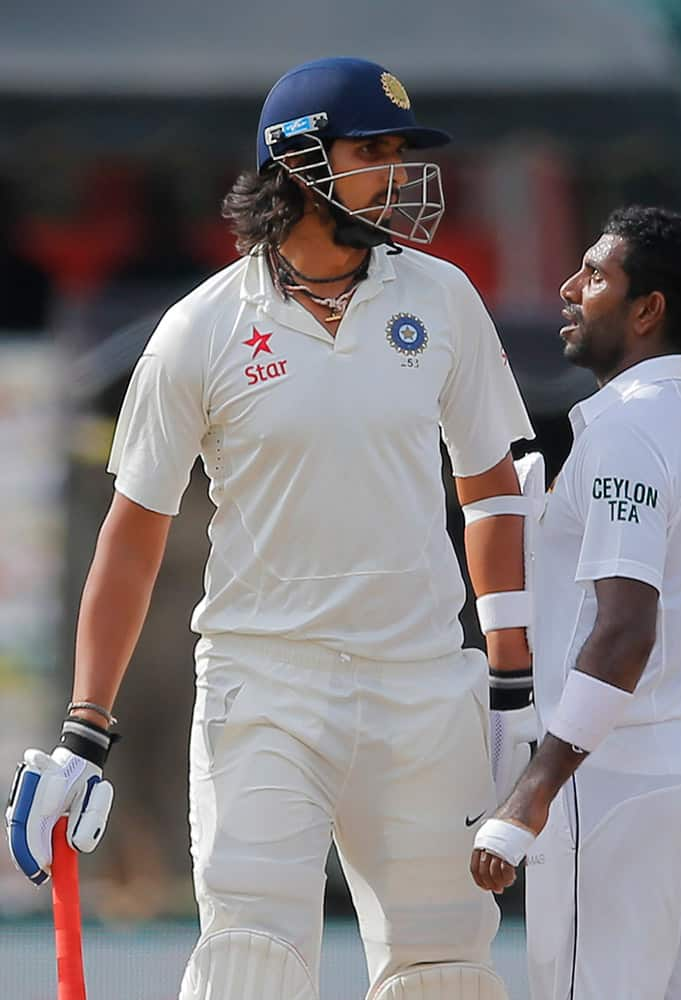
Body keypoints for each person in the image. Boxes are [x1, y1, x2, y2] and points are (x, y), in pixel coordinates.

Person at [6, 57, 536, 1000]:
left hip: (419, 681)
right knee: (250, 958)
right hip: (264, 684)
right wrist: (85, 730)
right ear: (295, 162)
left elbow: (490, 491)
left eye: (399, 150)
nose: (399, 173)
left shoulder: (441, 297)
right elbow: (131, 540)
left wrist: (510, 679)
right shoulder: (199, 331)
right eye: (370, 150)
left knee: (446, 969)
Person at [471, 206, 681, 999]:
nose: (567, 288)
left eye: (594, 275)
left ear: (646, 309)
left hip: (618, 778)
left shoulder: (628, 433)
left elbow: (624, 632)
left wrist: (534, 792)